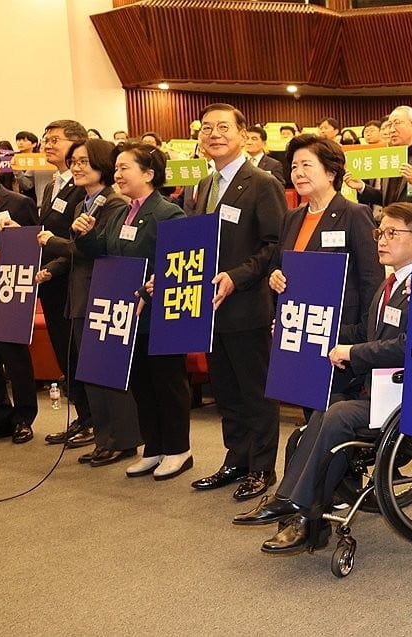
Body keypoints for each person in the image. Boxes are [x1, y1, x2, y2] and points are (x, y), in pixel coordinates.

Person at [233, 202, 412, 552]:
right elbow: (364, 332)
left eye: (391, 233)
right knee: (308, 429)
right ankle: (302, 518)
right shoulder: (389, 285)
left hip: (410, 393)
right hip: (377, 389)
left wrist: (352, 354)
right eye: (379, 233)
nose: (381, 240)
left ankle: (295, 511)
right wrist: (309, 328)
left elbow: (409, 345)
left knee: (337, 414)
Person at [74, 143, 194, 478]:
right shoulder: (119, 213)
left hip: (160, 315)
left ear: (149, 173)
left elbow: (177, 263)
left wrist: (150, 286)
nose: (118, 174)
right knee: (142, 383)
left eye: (126, 167)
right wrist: (83, 236)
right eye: (117, 168)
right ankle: (153, 447)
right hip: (127, 314)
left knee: (167, 383)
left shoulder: (169, 213)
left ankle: (178, 449)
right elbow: (105, 253)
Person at [188, 103, 285, 501]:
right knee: (225, 388)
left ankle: (262, 467)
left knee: (254, 389)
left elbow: (274, 245)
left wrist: (237, 276)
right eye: (207, 128)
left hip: (245, 302)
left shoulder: (261, 182)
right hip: (209, 306)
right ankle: (236, 458)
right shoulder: (202, 186)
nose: (214, 134)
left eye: (223, 127)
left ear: (243, 135)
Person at [38, 139, 139, 466]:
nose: (77, 167)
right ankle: (104, 437)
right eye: (74, 161)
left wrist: (53, 243)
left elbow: (96, 250)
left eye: (83, 161)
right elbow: (77, 255)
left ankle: (122, 440)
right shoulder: (83, 204)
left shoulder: (115, 203)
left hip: (105, 294)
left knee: (109, 372)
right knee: (91, 372)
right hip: (81, 295)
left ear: (101, 164)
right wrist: (52, 270)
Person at [268, 134, 383, 329]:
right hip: (297, 323)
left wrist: (365, 330)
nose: (298, 173)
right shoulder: (292, 217)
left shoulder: (355, 214)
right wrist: (275, 275)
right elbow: (276, 264)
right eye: (294, 166)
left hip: (341, 326)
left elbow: (371, 278)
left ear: (331, 173)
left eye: (306, 165)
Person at [37, 120, 95, 448]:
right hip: (51, 279)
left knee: (78, 351)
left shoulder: (82, 185)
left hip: (73, 278)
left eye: (55, 139)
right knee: (64, 352)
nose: (47, 144)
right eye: (46, 139)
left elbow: (73, 240)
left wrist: (52, 251)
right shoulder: (52, 184)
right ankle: (82, 414)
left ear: (77, 144)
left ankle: (92, 417)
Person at [0, 144, 38, 445]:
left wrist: (2, 255)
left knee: (14, 358)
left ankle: (23, 418)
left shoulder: (16, 203)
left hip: (6, 291)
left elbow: (32, 247)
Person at [344, 106, 412, 257]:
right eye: (389, 125)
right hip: (393, 237)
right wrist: (361, 187)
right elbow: (387, 198)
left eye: (397, 123)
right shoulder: (390, 159)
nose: (391, 129)